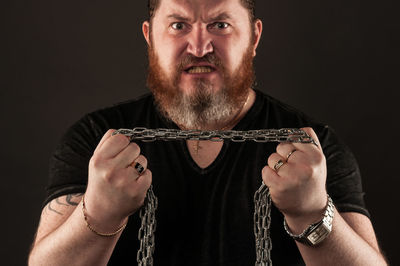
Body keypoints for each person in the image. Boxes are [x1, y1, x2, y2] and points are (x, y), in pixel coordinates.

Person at [29, 0, 387, 265]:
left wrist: (312, 214)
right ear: (149, 36)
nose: (199, 47)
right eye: (178, 25)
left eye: (220, 25)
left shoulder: (312, 147)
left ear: (254, 36)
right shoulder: (96, 140)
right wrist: (99, 214)